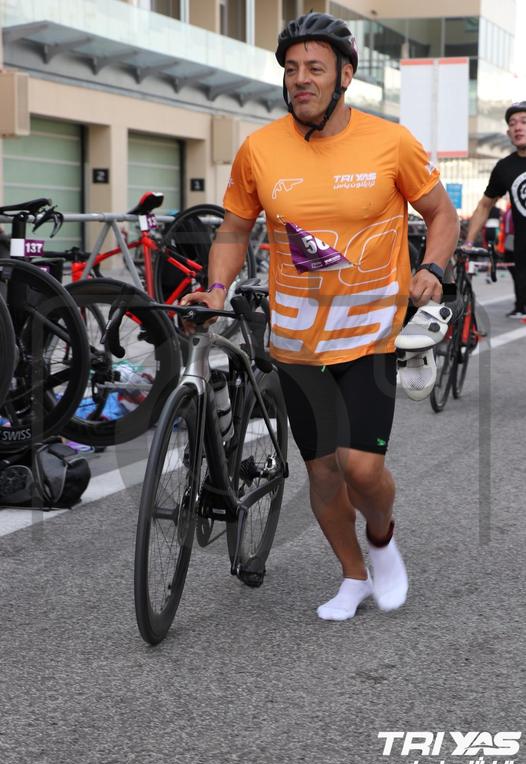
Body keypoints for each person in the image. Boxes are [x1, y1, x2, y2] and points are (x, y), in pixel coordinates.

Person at [181, 12, 459, 620]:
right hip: (297, 344)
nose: (300, 79)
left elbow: (442, 214)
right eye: (290, 69)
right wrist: (217, 288)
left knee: (363, 469)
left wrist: (433, 268)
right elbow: (234, 229)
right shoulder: (260, 149)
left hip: (370, 335)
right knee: (325, 474)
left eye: (314, 68)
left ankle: (381, 538)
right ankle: (353, 575)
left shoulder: (391, 142)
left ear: (345, 76)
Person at [465, 101, 526, 317]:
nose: (518, 127)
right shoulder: (504, 168)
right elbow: (485, 205)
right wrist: (469, 243)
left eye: (524, 121)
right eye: (512, 123)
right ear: (508, 133)